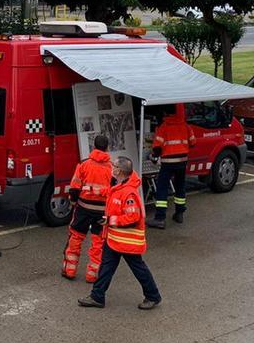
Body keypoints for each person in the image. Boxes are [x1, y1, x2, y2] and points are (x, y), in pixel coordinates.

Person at [77, 157, 161, 310]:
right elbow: (108, 193)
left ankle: (153, 296)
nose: (111, 167)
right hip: (116, 240)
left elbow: (133, 217)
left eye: (114, 166)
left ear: (120, 171)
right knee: (106, 267)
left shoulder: (128, 193)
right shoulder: (120, 186)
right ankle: (97, 296)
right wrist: (89, 189)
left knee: (138, 269)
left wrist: (110, 220)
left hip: (127, 242)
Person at [62, 134, 112, 282]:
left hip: (83, 208)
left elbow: (74, 187)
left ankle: (70, 270)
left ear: (94, 146)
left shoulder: (84, 164)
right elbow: (114, 190)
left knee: (76, 238)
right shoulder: (112, 168)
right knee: (98, 243)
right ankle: (92, 275)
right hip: (102, 211)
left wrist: (73, 202)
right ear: (107, 147)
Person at [146, 106, 195, 227]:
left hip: (167, 162)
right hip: (182, 161)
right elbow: (193, 142)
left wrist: (153, 157)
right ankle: (179, 213)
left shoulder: (164, 127)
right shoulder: (185, 125)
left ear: (165, 113)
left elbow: (157, 147)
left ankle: (160, 218)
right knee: (180, 186)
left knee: (162, 188)